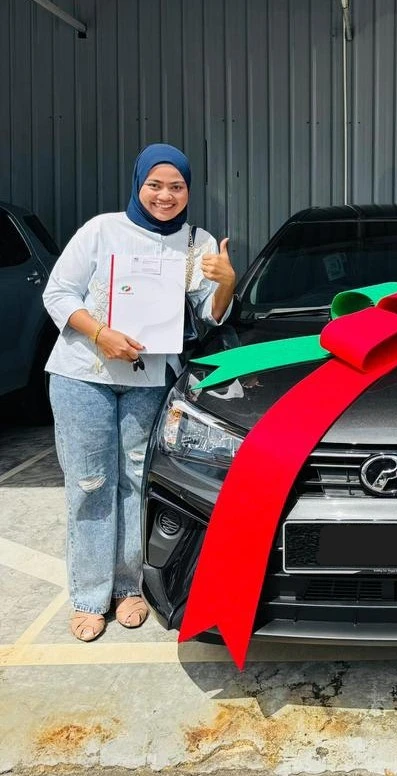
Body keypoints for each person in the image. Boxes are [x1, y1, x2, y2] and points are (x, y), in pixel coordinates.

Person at [43, 143, 237, 641]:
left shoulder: (198, 243)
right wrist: (100, 333)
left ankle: (129, 587)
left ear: (189, 190)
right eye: (155, 184)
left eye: (176, 186)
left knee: (134, 480)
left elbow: (210, 315)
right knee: (90, 484)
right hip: (83, 375)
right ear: (138, 184)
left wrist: (226, 282)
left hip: (149, 381)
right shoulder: (101, 230)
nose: (164, 196)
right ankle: (90, 595)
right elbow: (57, 293)